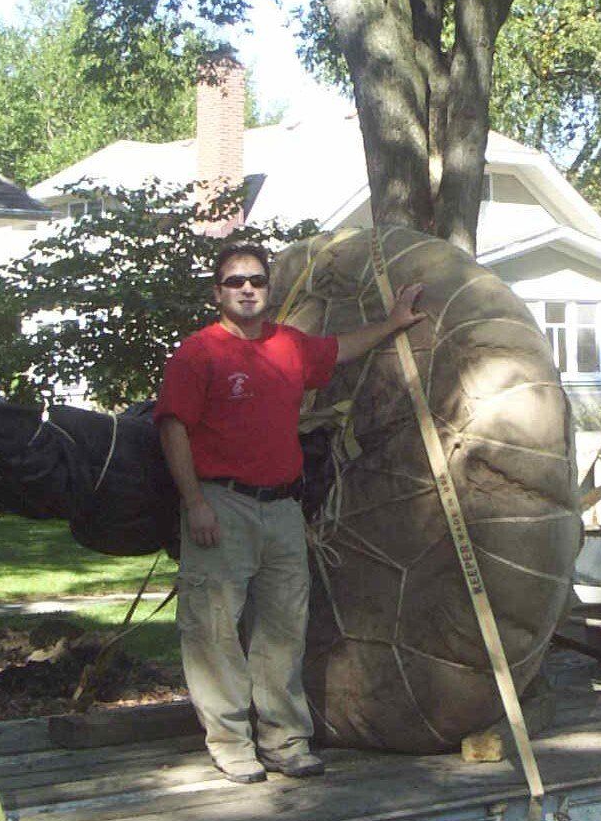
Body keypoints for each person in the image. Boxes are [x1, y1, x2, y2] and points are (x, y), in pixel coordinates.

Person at [155, 240, 424, 784]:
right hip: (220, 505)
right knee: (214, 630)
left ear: (269, 289)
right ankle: (231, 743)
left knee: (283, 629)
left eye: (256, 280)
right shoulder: (198, 352)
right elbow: (172, 427)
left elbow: (341, 349)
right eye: (236, 282)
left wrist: (394, 322)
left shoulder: (287, 345)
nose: (247, 289)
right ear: (218, 293)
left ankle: (284, 740)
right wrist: (196, 503)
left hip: (281, 508)